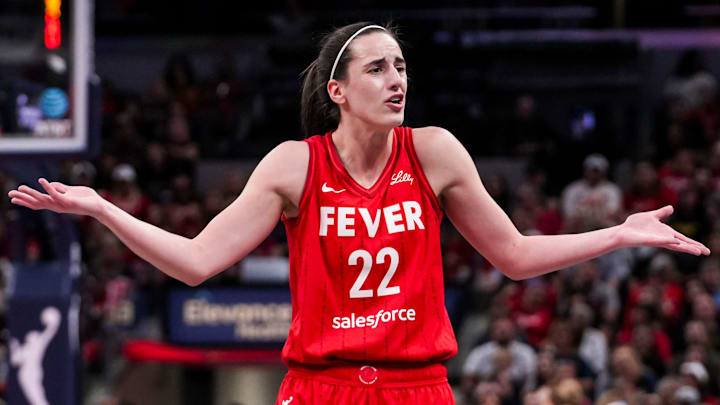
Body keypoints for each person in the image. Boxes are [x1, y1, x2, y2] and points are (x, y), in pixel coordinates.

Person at [7, 22, 711, 405]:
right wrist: (101, 209)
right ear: (339, 90)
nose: (397, 79)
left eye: (401, 66)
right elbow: (194, 263)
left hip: (419, 388)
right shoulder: (294, 164)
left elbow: (515, 255)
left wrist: (618, 233)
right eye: (377, 68)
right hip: (320, 387)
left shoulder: (434, 151)